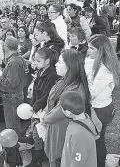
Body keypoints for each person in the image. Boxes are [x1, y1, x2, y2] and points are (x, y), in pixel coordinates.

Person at [43, 49, 92, 167]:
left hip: (63, 134)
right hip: (57, 131)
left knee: (60, 161)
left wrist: (44, 117)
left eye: (60, 62)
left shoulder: (75, 89)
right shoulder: (65, 81)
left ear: (70, 67)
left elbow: (57, 114)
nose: (55, 64)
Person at [85, 34, 120, 167]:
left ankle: (99, 164)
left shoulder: (105, 71)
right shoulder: (94, 62)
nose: (88, 51)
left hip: (100, 110)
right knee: (93, 139)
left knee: (97, 141)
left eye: (91, 49)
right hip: (97, 107)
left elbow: (92, 93)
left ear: (101, 51)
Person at [22, 47, 59, 167]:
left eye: (38, 61)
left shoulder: (52, 74)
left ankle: (37, 160)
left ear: (47, 61)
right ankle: (37, 154)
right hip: (37, 107)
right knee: (36, 131)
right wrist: (32, 104)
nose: (36, 64)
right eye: (35, 61)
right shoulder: (41, 71)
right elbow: (36, 91)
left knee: (39, 133)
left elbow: (47, 95)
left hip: (44, 109)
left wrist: (35, 107)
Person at [0, 37, 29, 136]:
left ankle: (14, 146)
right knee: (14, 123)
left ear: (6, 47)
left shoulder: (13, 62)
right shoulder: (19, 59)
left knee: (12, 125)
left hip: (12, 96)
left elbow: (11, 83)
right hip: (16, 95)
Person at [59, 91, 98, 167]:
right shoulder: (85, 118)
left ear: (68, 113)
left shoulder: (79, 135)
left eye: (61, 108)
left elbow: (78, 163)